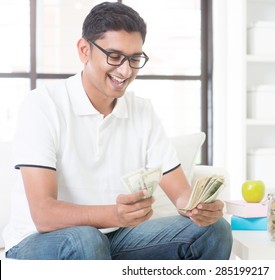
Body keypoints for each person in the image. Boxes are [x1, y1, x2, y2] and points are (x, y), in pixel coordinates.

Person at [3, 2, 232, 260]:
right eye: (114, 56)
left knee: (213, 230)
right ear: (84, 50)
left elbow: (179, 192)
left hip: (114, 238)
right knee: (86, 239)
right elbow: (44, 214)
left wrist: (198, 207)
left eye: (135, 59)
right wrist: (115, 214)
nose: (126, 70)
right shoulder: (43, 105)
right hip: (40, 241)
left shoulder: (142, 111)